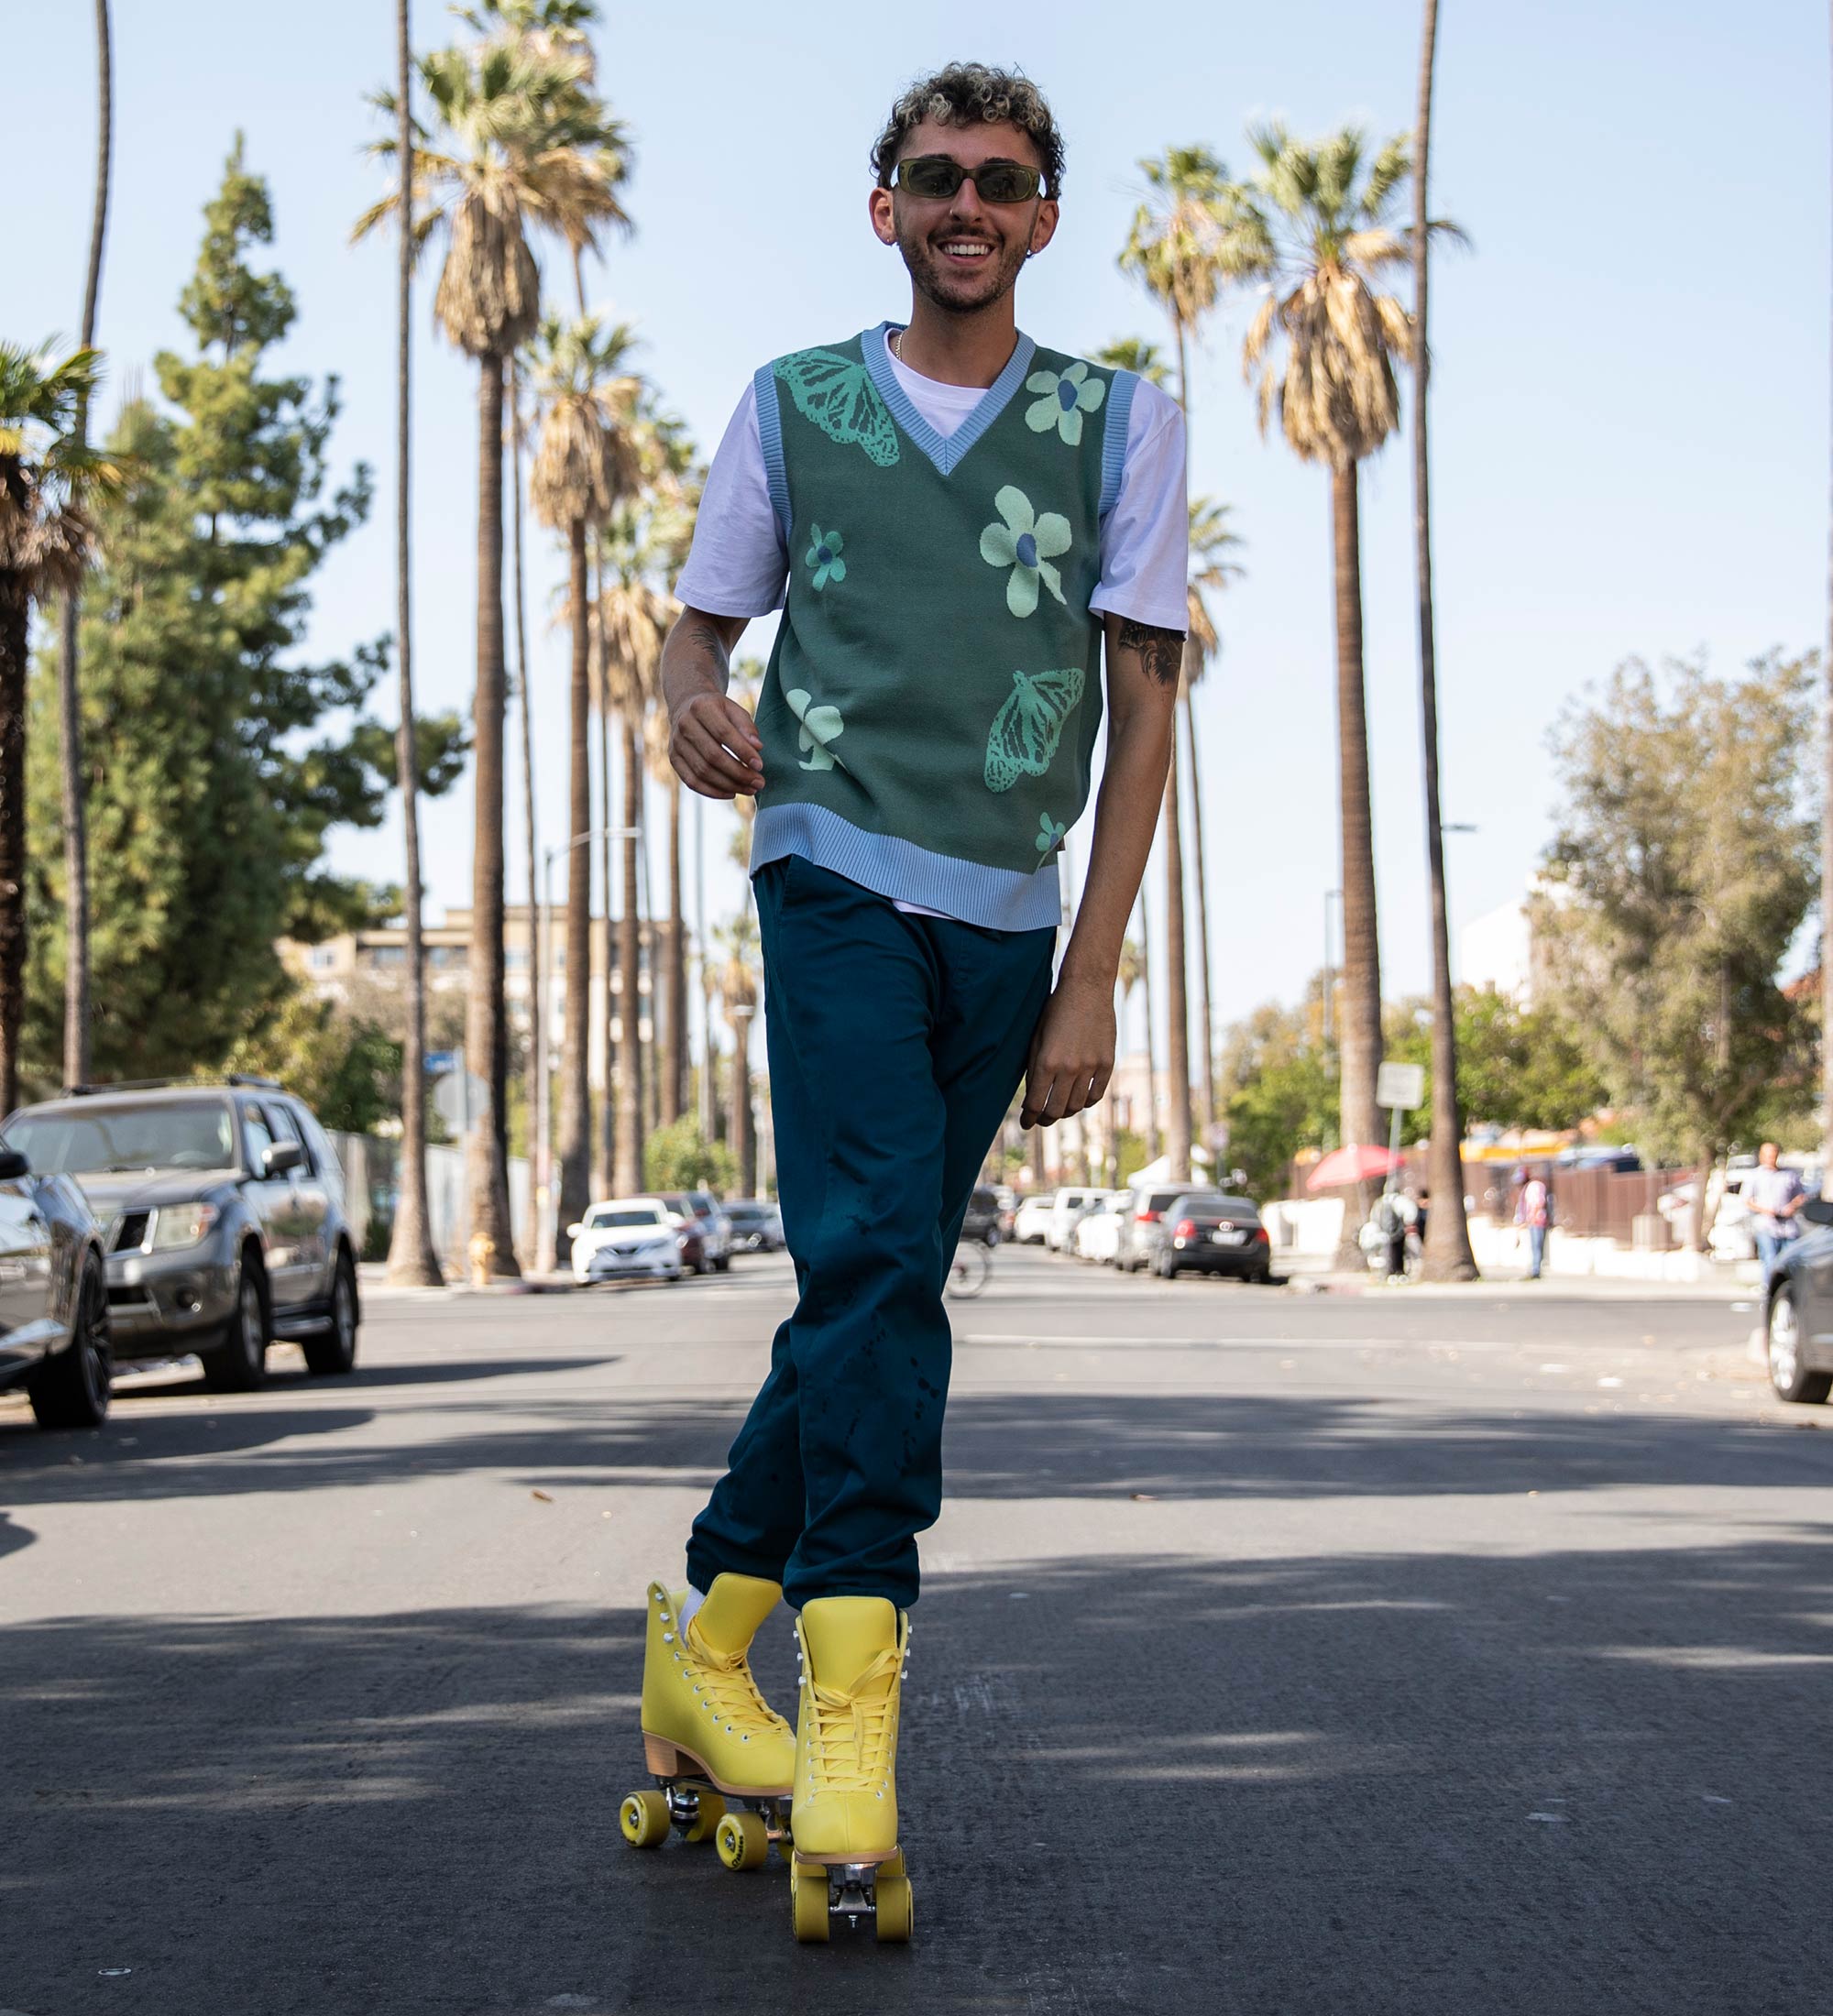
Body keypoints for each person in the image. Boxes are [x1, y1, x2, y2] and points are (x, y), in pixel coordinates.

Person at [623, 64, 1187, 1937]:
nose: (966, 204)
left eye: (1002, 181)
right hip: (830, 859)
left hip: (1009, 908)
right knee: (871, 1268)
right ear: (886, 208)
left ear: (1042, 215)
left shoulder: (1121, 425)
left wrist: (1091, 967)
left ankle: (707, 1635)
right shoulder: (798, 402)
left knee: (880, 1280)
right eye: (935, 178)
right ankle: (852, 1708)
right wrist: (687, 700)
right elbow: (702, 624)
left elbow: (1142, 702)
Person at [1746, 1142, 1806, 1285]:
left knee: (1791, 1261)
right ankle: (1770, 1292)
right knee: (1770, 1259)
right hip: (1767, 1225)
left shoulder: (1789, 1175)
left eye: (1774, 1154)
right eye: (1768, 1155)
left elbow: (1802, 1196)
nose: (1771, 1158)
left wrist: (1792, 1206)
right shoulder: (1755, 1176)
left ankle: (1790, 1291)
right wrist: (1766, 1211)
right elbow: (1747, 1200)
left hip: (1788, 1227)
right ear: (1761, 1156)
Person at [1515, 1167, 1552, 1279]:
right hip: (1533, 1221)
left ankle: (1536, 1270)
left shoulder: (1535, 1186)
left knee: (1537, 1246)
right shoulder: (1527, 1188)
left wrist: (1531, 1218)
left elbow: (1538, 1203)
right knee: (1534, 1246)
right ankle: (1534, 1268)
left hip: (1537, 1221)